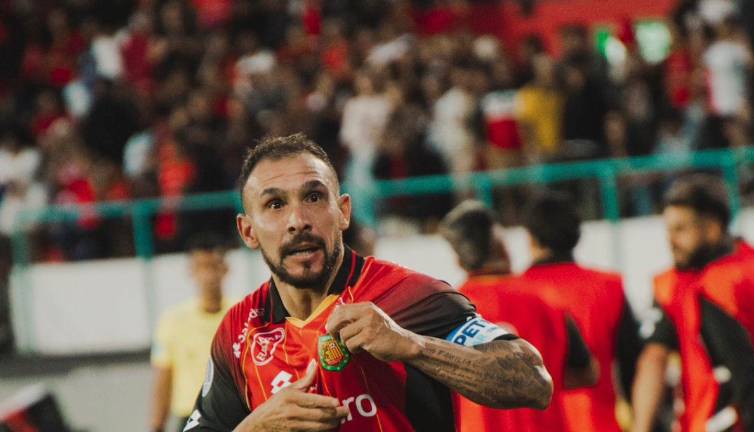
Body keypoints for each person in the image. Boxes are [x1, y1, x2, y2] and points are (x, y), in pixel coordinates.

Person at [183, 133, 553, 432]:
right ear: (248, 231)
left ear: (343, 211)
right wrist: (256, 429)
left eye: (313, 197)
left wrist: (413, 346)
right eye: (275, 205)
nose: (297, 219)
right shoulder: (239, 332)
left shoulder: (409, 296)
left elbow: (532, 381)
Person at [440, 200, 598, 432]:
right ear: (503, 246)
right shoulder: (546, 298)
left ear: (458, 259)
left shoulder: (444, 311)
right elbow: (588, 373)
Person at [631, 175, 754, 432]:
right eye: (668, 230)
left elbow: (653, 360)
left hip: (727, 419)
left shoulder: (701, 286)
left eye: (681, 229)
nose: (670, 241)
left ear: (713, 227)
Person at [518, 190, 642, 432]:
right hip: (601, 422)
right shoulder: (609, 287)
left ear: (531, 239)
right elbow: (632, 365)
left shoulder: (516, 293)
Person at [150, 234, 233, 432]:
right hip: (191, 418)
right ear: (191, 271)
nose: (209, 276)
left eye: (214, 266)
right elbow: (163, 378)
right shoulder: (173, 321)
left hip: (233, 416)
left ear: (225, 269)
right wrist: (156, 425)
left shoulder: (242, 314)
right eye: (202, 267)